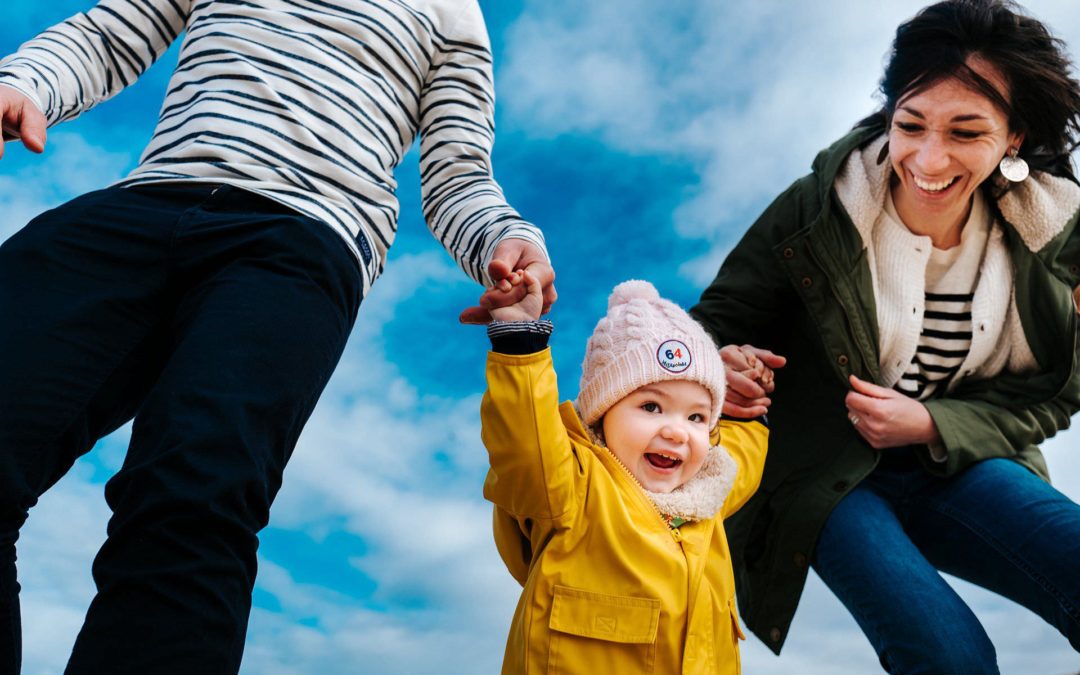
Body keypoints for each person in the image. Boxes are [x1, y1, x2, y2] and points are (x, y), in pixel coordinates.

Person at [0, 1, 554, 673]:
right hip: (148, 202)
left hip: (298, 241)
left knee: (193, 494)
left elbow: (456, 172)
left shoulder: (451, 14)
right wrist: (25, 80)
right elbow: (115, 31)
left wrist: (507, 238)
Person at [690, 0, 1080, 671]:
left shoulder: (1055, 237)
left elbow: (1057, 395)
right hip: (826, 475)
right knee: (948, 652)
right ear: (890, 112)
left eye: (966, 131)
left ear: (1013, 136)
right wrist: (719, 364)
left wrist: (932, 423)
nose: (929, 157)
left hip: (962, 463)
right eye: (911, 124)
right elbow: (713, 322)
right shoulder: (819, 210)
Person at [476, 276, 768, 674]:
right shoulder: (570, 486)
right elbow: (524, 441)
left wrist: (748, 402)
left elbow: (742, 451)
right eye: (651, 407)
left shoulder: (708, 493)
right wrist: (519, 340)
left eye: (697, 415)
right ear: (602, 413)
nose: (676, 431)